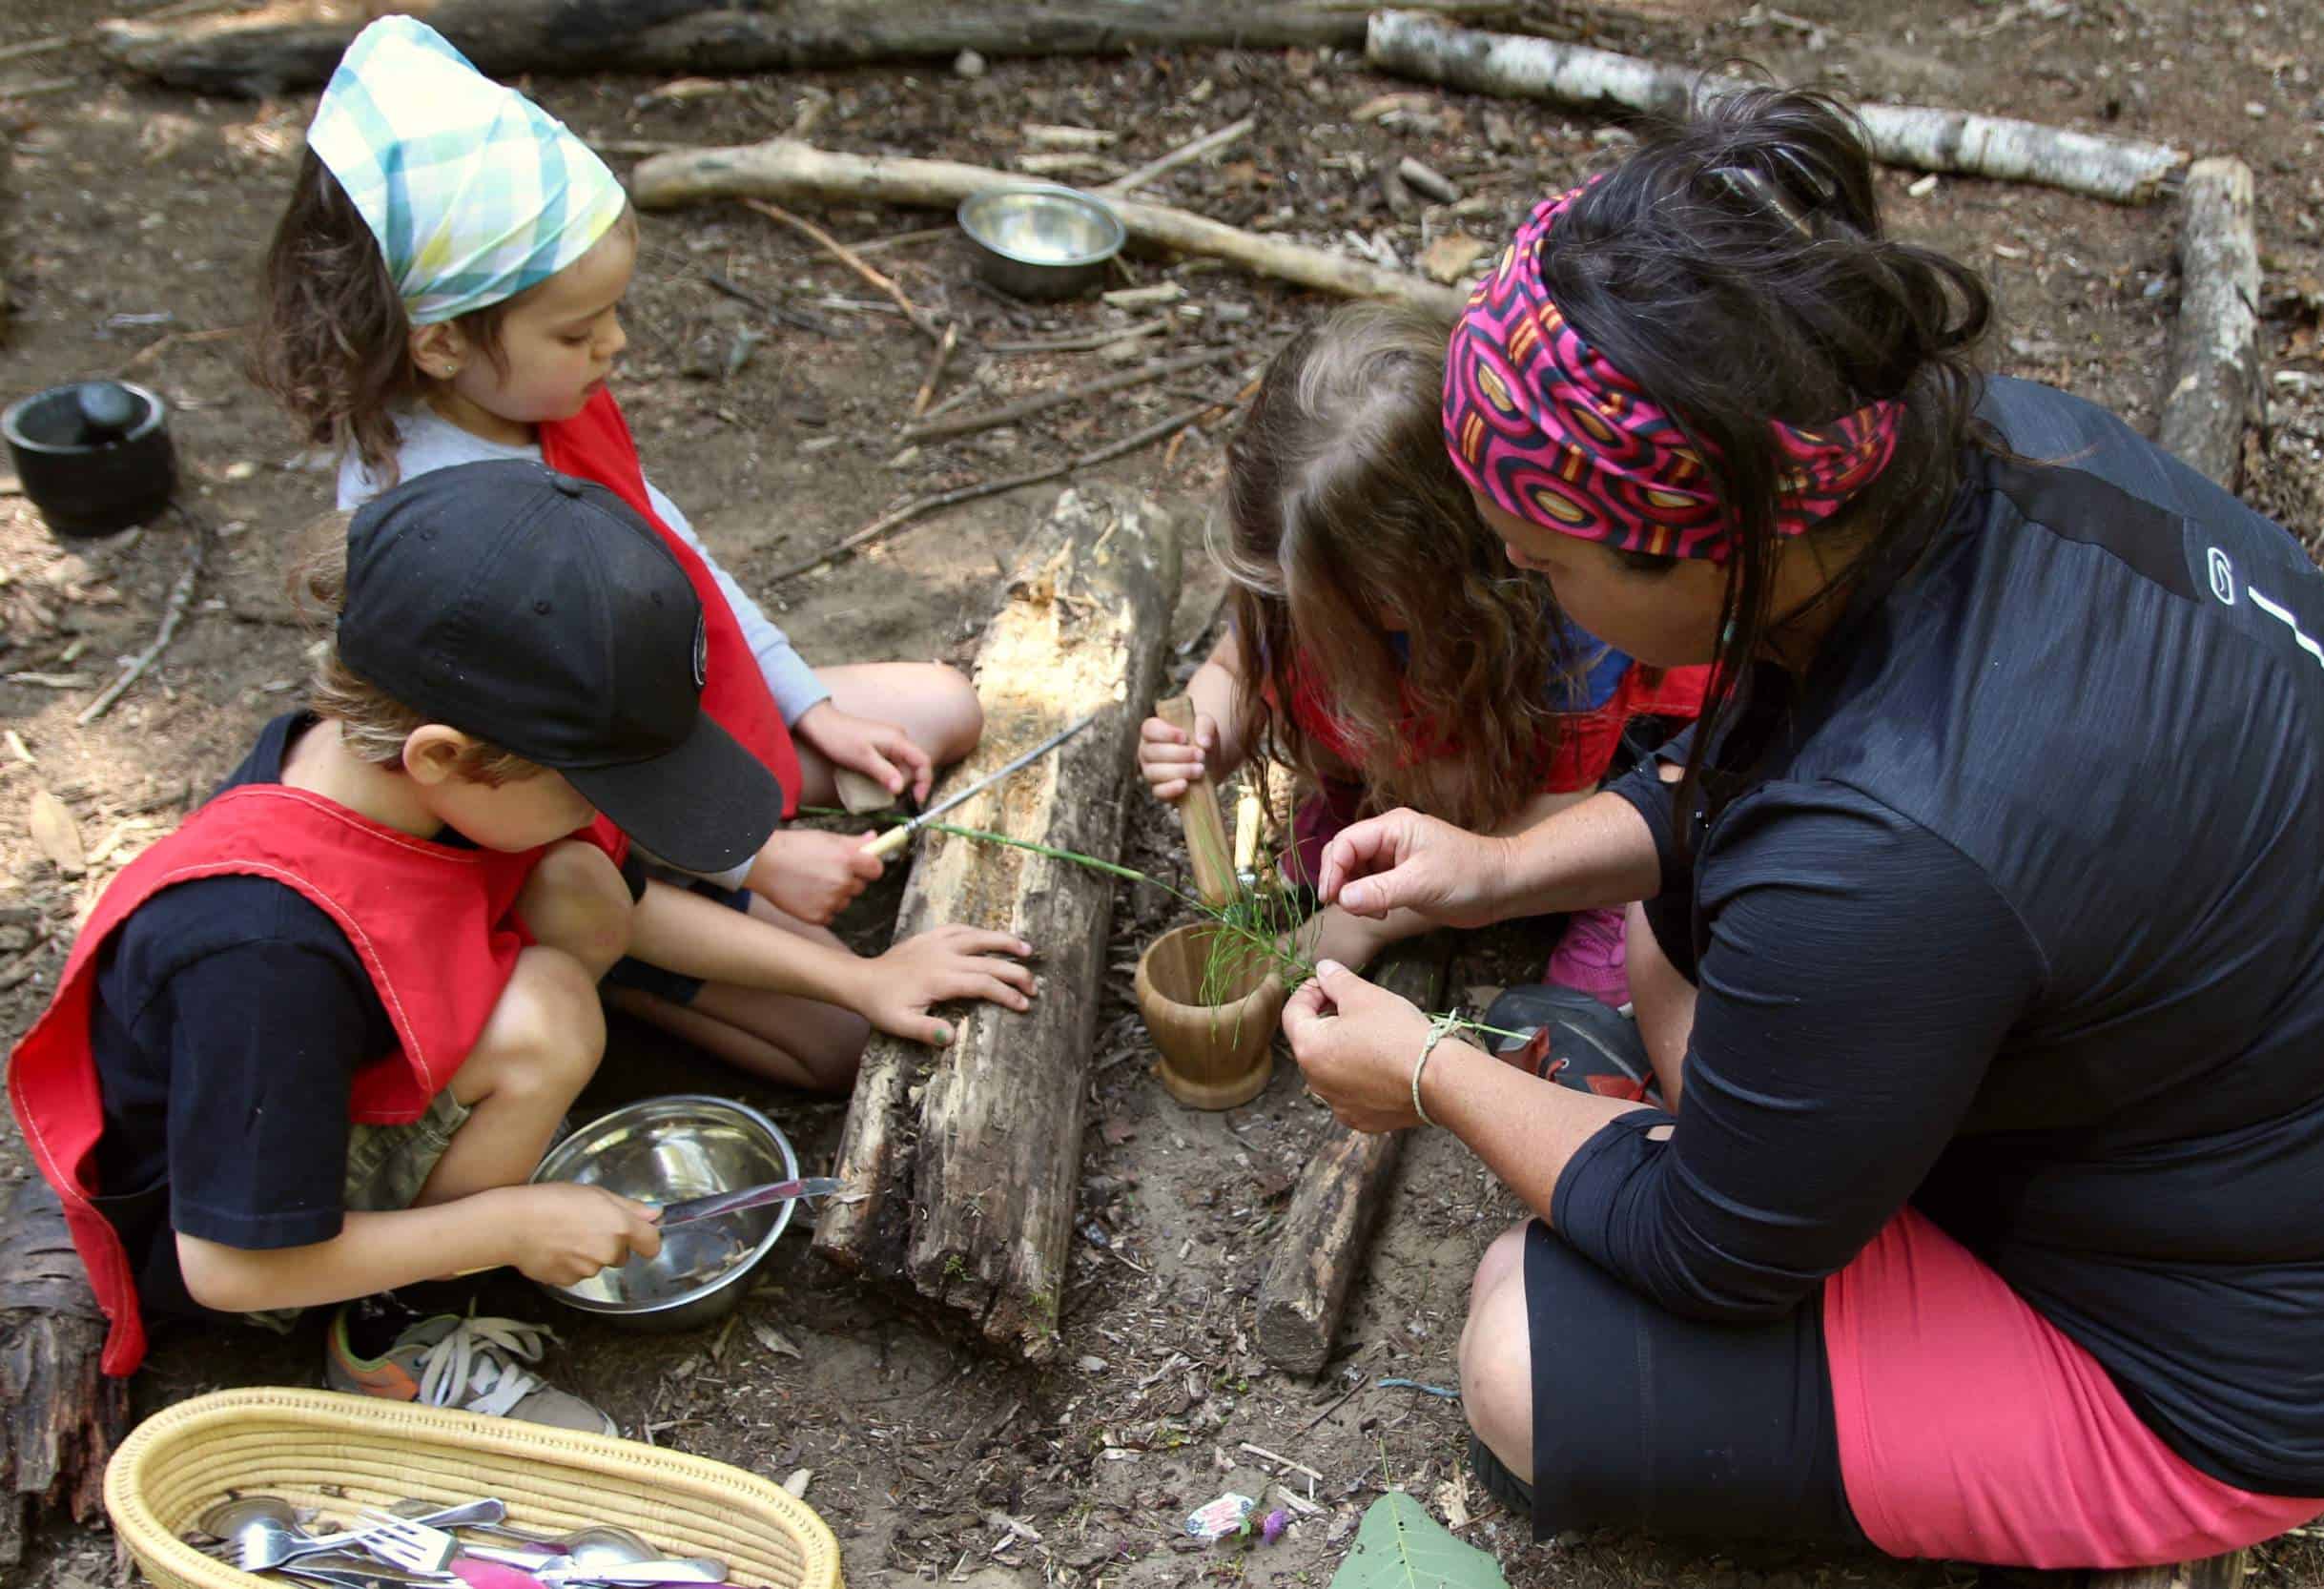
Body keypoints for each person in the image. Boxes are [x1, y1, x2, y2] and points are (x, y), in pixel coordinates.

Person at [1280, 86, 2324, 1572]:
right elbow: (1760, 775)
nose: (1534, 595)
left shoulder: (1890, 851)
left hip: (2243, 1359)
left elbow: (1706, 1249)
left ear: (1713, 536)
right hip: (2236, 1116)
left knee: (1517, 1348)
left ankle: (2096, 1449)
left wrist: (1427, 1071)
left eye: (1543, 566)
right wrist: (1499, 864)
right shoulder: (1946, 452)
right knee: (1684, 950)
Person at [253, 16, 997, 1091]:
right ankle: (615, 964)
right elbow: (544, 770)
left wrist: (802, 704)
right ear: (444, 338)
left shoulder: (536, 403)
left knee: (939, 706)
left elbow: (677, 553)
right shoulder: (434, 518)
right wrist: (749, 859)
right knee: (843, 1043)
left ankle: (725, 859)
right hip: (559, 814)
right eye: (576, 331)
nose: (613, 349)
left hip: (653, 728)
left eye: (611, 317)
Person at [13, 464, 762, 1428]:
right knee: (550, 1013)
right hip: (239, 1240)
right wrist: (504, 1226)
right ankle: (384, 1331)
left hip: (323, 1078)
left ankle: (465, 1164)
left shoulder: (384, 770)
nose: (606, 815)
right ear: (442, 757)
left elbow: (618, 901)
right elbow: (228, 1265)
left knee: (573, 886)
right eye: (588, 784)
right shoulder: (260, 955)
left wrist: (861, 985)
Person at [1138, 303, 1707, 999]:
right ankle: (1381, 807)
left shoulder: (1566, 619)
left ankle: (1607, 898)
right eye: (1289, 588)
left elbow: (1559, 809)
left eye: (1337, 598)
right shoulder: (1294, 570)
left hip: (1562, 798)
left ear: (1453, 564)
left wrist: (1367, 923)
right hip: (1422, 748)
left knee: (1598, 968)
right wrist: (1209, 728)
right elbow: (1233, 666)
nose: (1301, 609)